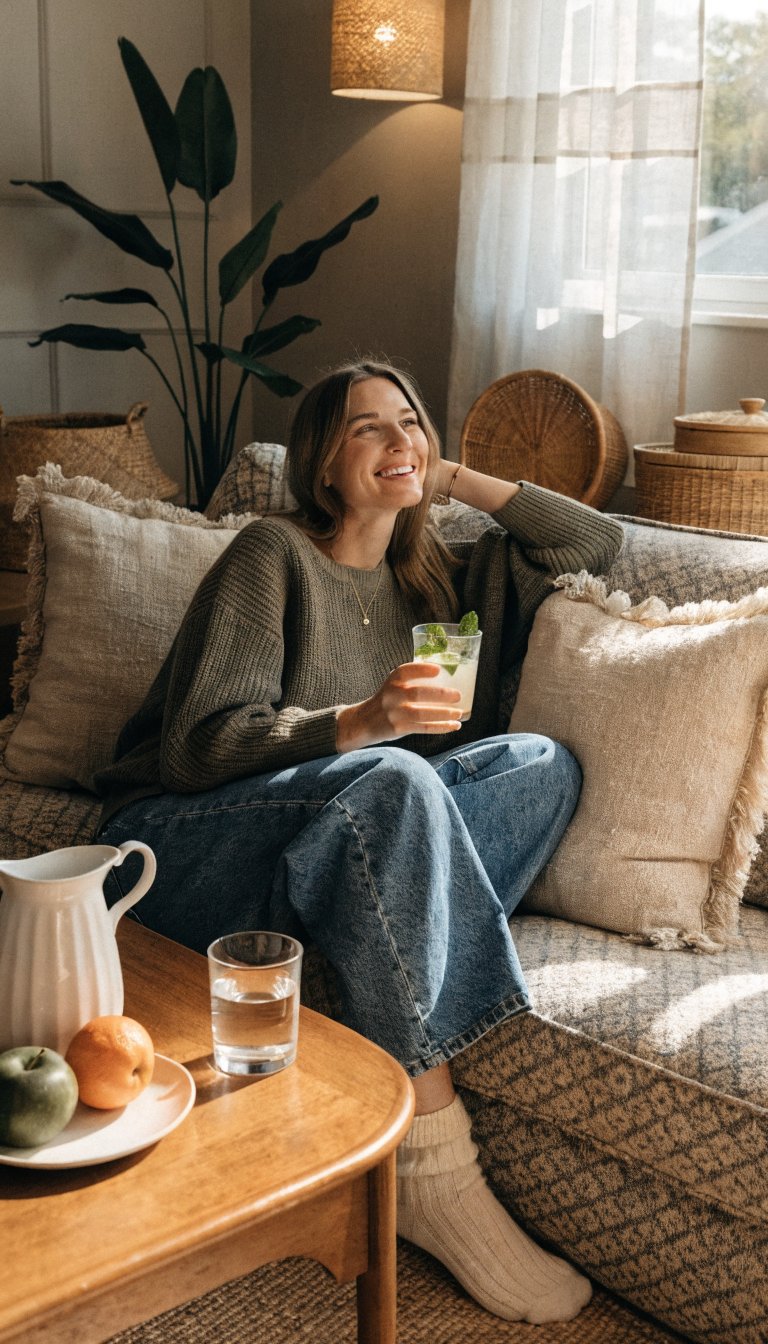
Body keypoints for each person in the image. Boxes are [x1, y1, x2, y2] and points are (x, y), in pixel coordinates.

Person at [96, 359, 623, 1324]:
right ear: (321, 464)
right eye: (367, 430)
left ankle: (368, 922)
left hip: (344, 829)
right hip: (177, 849)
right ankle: (433, 1160)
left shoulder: (440, 574)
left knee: (541, 762)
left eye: (409, 422)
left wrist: (449, 475)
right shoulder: (273, 554)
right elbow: (194, 747)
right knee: (395, 777)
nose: (398, 441)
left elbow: (595, 541)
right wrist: (360, 720)